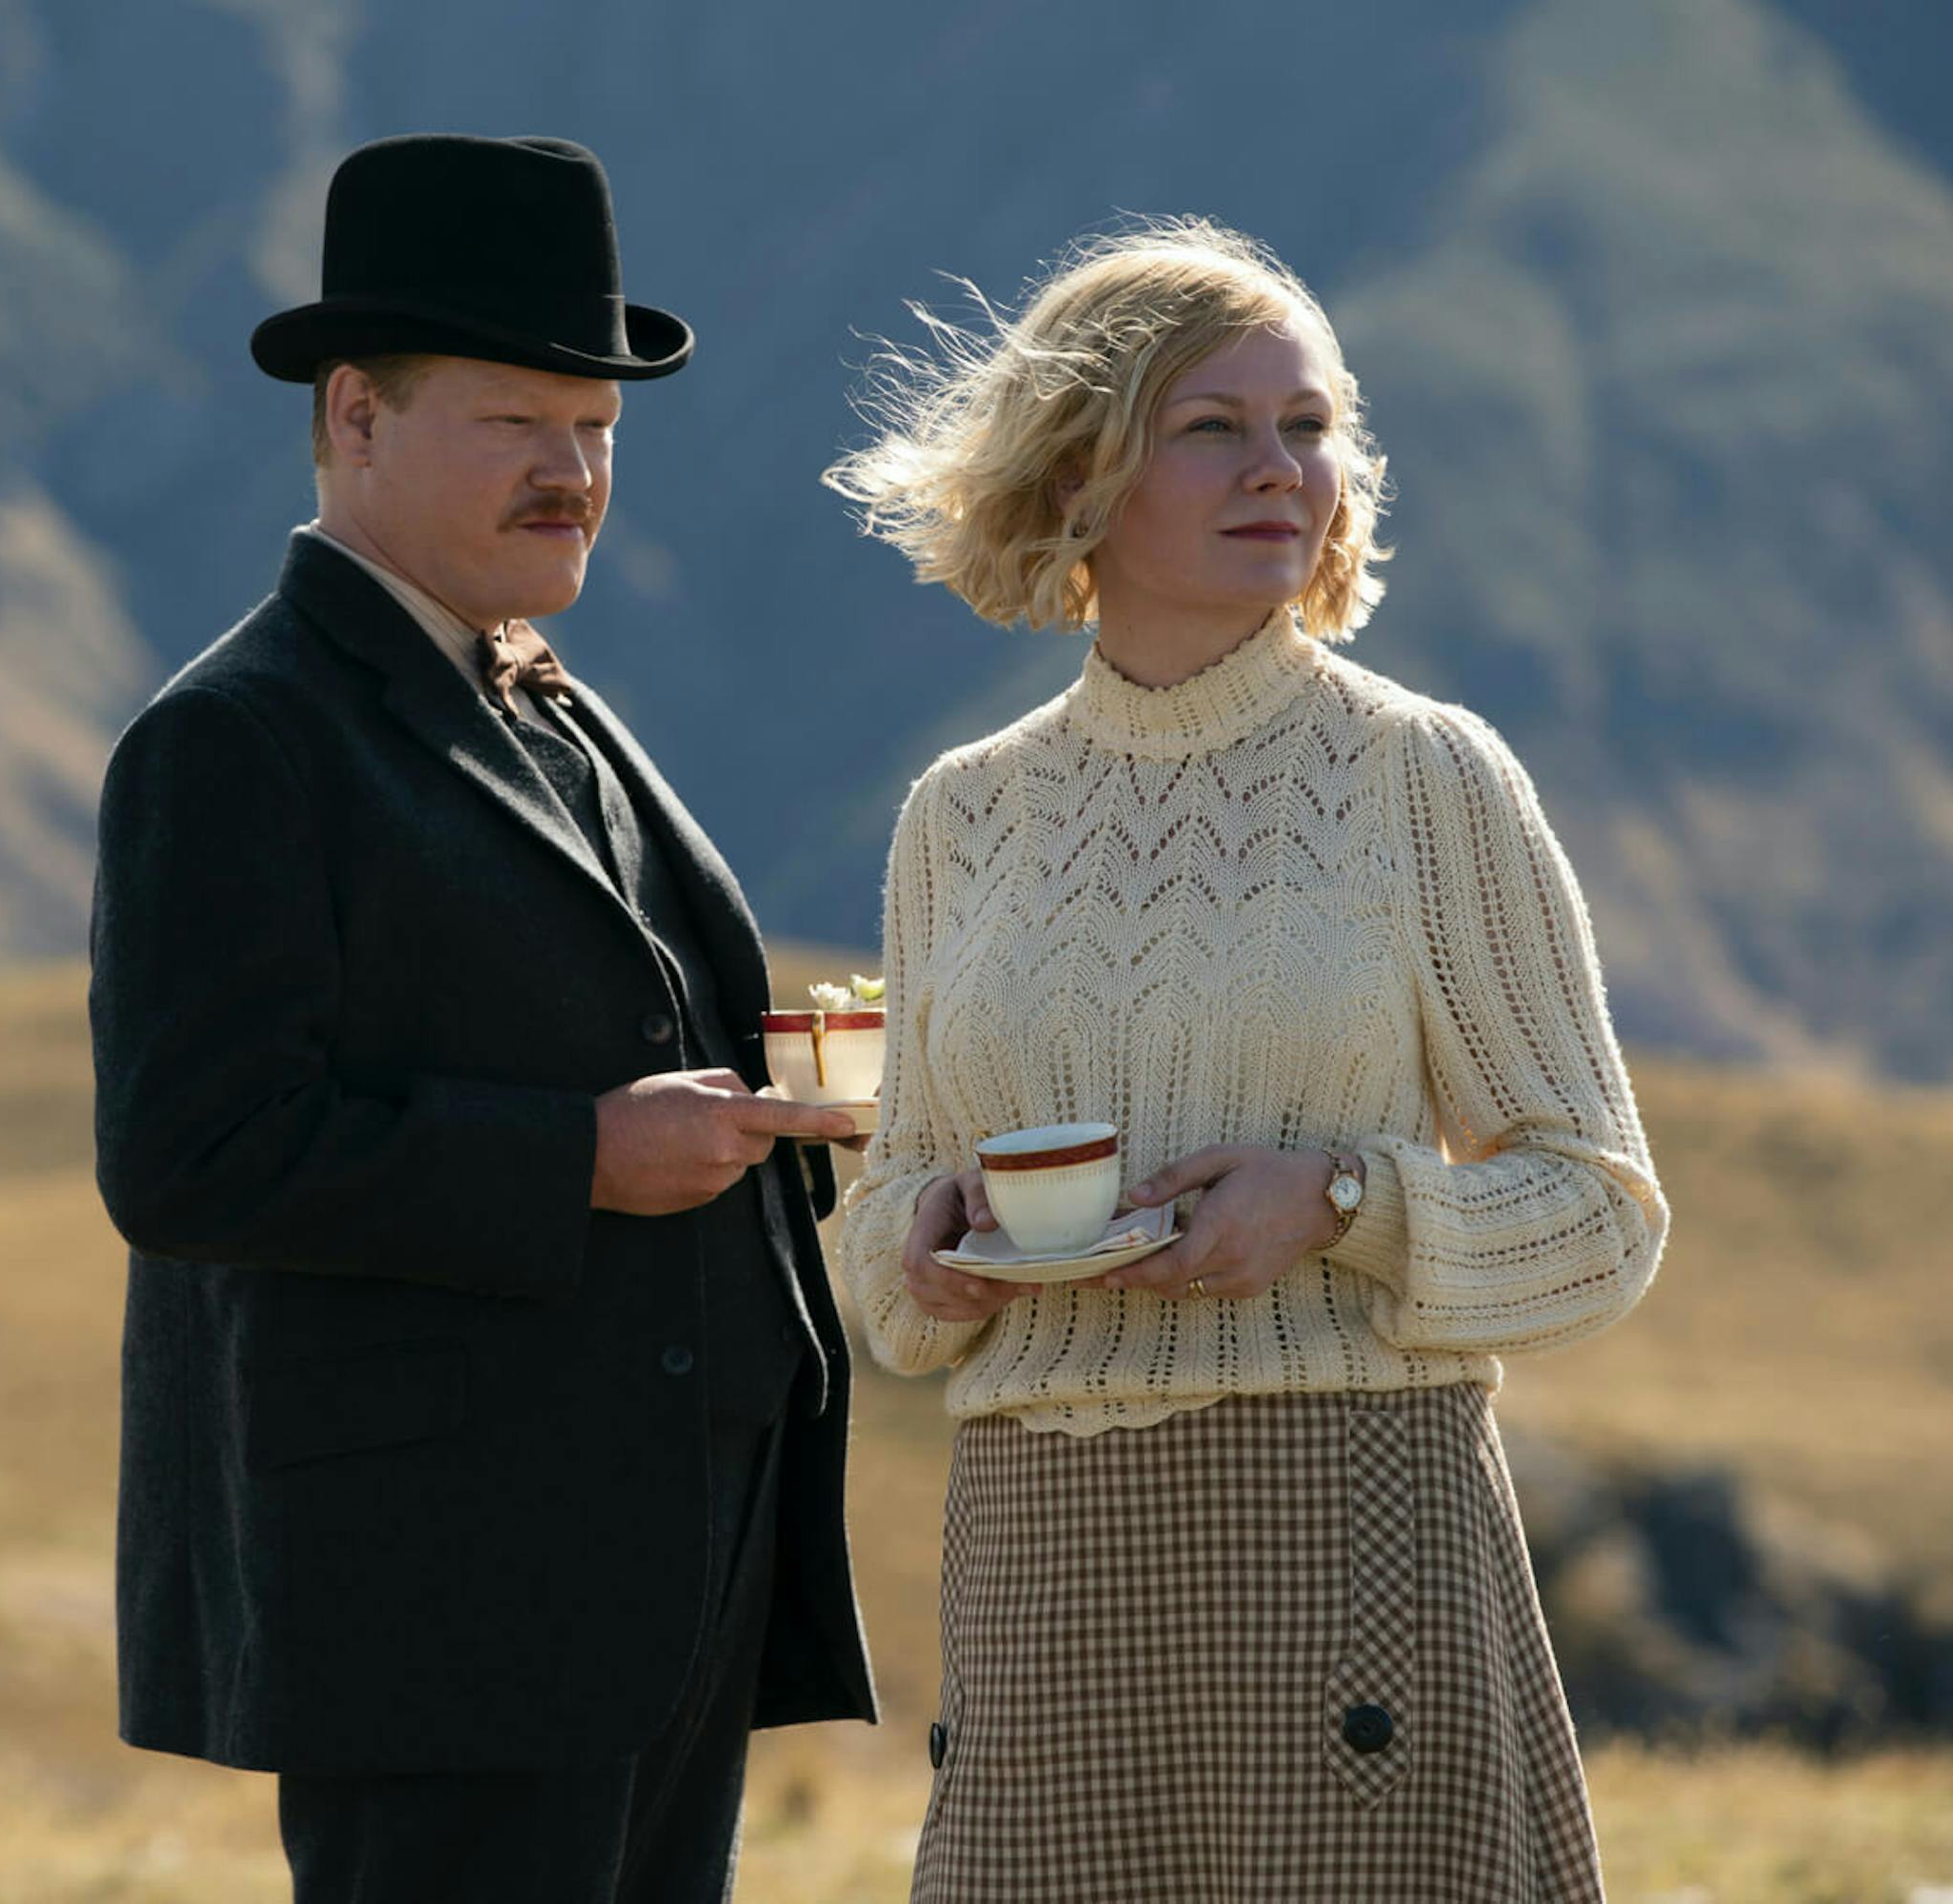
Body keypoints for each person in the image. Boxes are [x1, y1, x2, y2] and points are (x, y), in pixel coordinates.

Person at [825, 219, 1669, 1900]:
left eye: (1307, 426)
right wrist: (922, 1249)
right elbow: (884, 1246)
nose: (1279, 467)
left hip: (1346, 1524)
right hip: (1040, 1556)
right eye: (1211, 426)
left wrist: (1342, 1201)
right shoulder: (962, 815)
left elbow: (1598, 1220)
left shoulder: (1423, 776)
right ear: (1082, 473)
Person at [87, 134, 874, 1904]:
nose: (573, 471)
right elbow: (190, 1157)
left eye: (595, 430)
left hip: (664, 1556)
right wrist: (583, 1156)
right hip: (443, 1593)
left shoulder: (548, 700)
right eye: (517, 419)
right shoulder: (241, 738)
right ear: (354, 418)